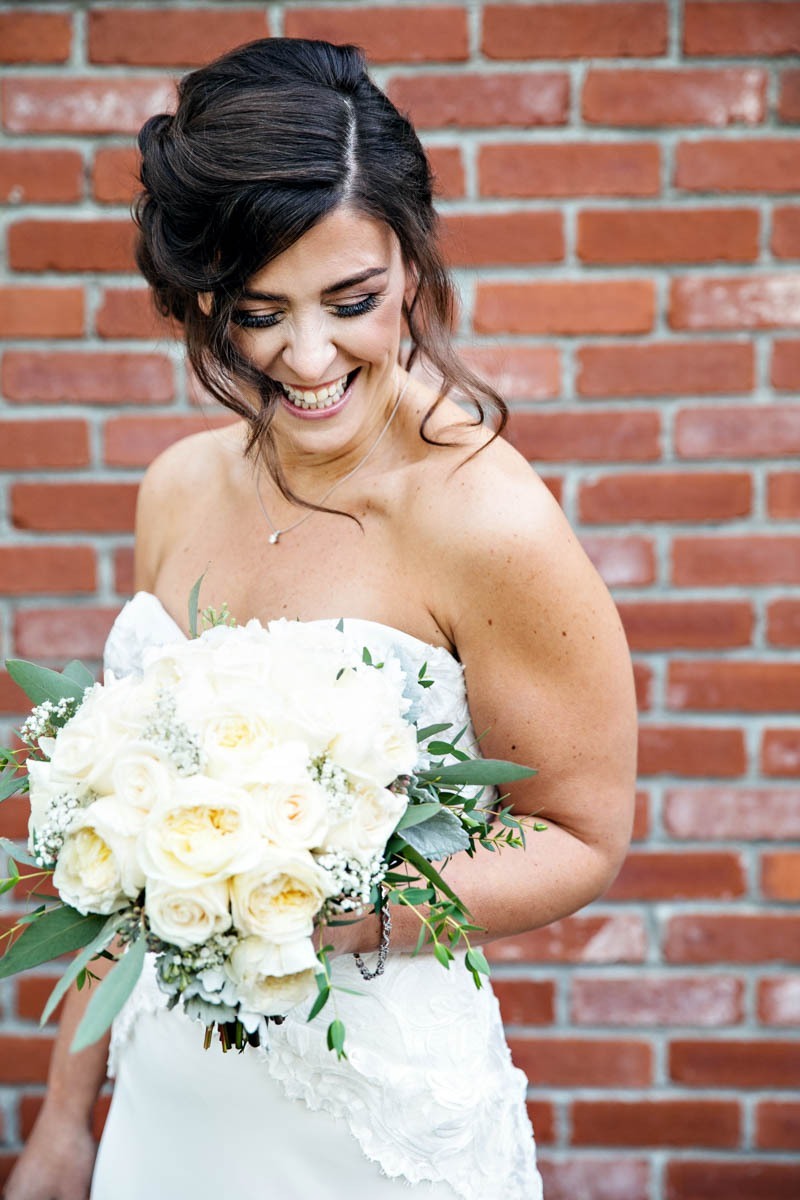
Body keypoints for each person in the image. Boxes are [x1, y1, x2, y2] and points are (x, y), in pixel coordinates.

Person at [5, 38, 637, 1200]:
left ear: (409, 263)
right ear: (203, 301)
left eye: (349, 302)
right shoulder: (177, 487)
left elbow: (580, 833)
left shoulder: (485, 521)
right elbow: (124, 848)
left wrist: (344, 911)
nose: (306, 359)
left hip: (372, 1122)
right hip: (168, 1101)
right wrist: (63, 1120)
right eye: (257, 313)